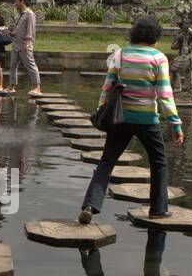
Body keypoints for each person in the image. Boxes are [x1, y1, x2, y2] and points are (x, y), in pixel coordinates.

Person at [78, 14, 183, 223]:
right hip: (147, 120)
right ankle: (158, 209)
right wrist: (175, 124)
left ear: (134, 33)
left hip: (120, 118)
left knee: (107, 161)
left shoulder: (121, 54)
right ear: (156, 35)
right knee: (159, 162)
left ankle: (91, 205)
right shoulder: (159, 58)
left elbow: (107, 87)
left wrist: (101, 111)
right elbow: (164, 94)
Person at [9, 0, 40, 94]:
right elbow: (19, 29)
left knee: (30, 66)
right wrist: (11, 33)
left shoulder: (30, 14)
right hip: (16, 44)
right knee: (13, 66)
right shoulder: (20, 15)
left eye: (16, 1)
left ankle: (37, 87)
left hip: (24, 45)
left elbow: (30, 30)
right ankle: (11, 86)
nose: (15, 3)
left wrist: (27, 43)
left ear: (22, 1)